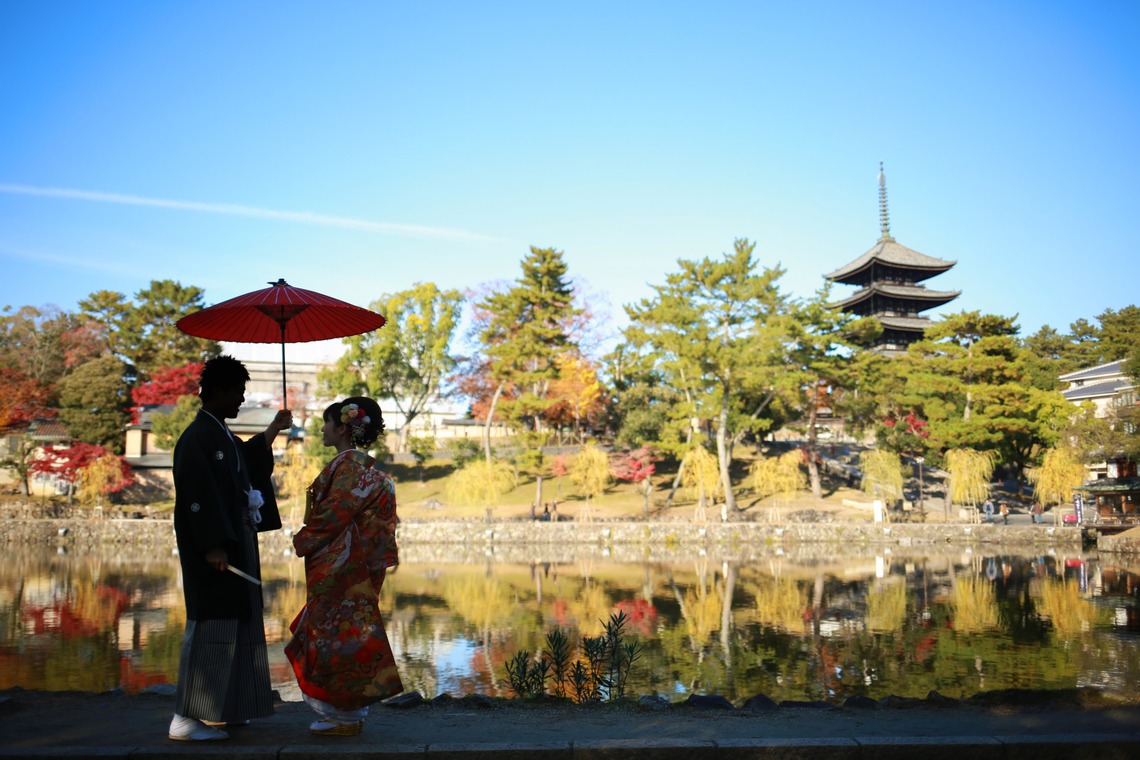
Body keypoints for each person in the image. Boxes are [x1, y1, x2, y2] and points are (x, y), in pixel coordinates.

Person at [169, 356, 292, 742]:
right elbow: (197, 497)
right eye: (237, 392)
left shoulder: (220, 434)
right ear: (217, 392)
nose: (241, 399)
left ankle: (228, 707)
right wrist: (212, 546)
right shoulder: (197, 437)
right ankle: (186, 717)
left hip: (237, 541)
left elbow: (248, 462)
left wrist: (273, 428)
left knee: (240, 621)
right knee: (212, 623)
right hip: (217, 548)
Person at [285, 397, 404, 736]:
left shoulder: (350, 468)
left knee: (334, 635)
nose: (322, 428)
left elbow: (332, 515)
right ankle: (347, 712)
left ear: (342, 427)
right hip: (354, 565)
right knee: (346, 633)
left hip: (342, 566)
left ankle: (343, 716)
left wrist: (302, 539)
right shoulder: (359, 468)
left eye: (326, 423)